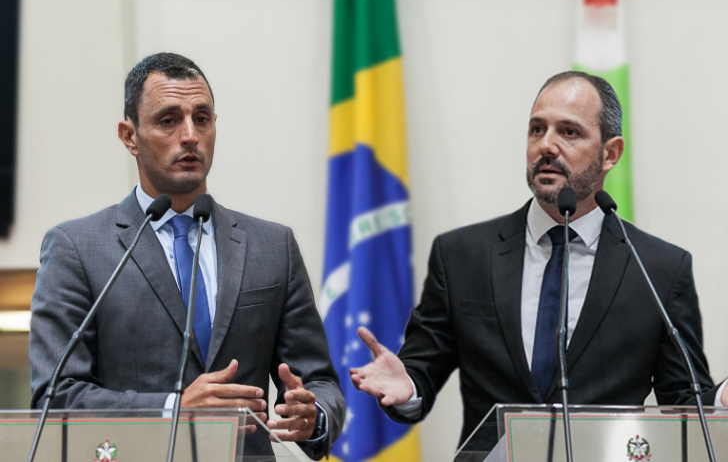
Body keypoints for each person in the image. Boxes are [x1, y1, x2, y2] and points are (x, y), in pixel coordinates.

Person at [349, 71, 728, 451]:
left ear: (610, 154)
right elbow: (422, 368)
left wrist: (724, 399)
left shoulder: (659, 269)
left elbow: (685, 402)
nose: (546, 145)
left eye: (569, 132)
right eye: (536, 129)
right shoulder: (462, 256)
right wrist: (408, 385)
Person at [29, 52, 344, 459]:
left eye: (202, 118)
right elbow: (56, 398)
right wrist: (172, 409)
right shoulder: (77, 249)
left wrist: (312, 414)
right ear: (129, 136)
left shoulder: (272, 246)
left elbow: (320, 381)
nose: (190, 135)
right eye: (168, 120)